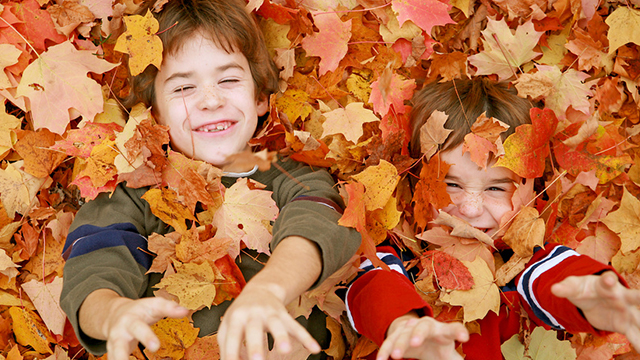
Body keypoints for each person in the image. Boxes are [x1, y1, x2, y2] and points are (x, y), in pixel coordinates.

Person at [59, 1, 361, 360]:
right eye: (184, 88)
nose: (211, 100)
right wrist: (111, 313)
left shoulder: (288, 173)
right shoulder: (137, 192)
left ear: (261, 96)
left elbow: (320, 222)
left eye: (229, 79)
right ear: (155, 112)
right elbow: (94, 265)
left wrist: (269, 288)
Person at [344, 78, 640, 360]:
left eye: (496, 188)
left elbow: (558, 277)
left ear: (533, 193)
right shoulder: (397, 255)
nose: (471, 210)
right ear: (414, 184)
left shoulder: (523, 267)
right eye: (451, 184)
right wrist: (405, 321)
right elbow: (372, 288)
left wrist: (596, 299)